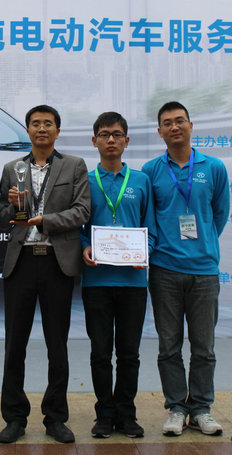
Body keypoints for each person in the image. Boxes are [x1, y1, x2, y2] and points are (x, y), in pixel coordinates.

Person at [0, 104, 90, 444]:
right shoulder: (12, 168)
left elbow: (82, 211)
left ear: (57, 131)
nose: (41, 129)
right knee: (14, 345)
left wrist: (45, 221)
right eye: (35, 123)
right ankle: (14, 418)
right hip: (21, 263)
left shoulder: (74, 165)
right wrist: (12, 206)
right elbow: (1, 218)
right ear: (28, 130)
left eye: (48, 123)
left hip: (56, 262)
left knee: (57, 344)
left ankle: (56, 417)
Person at [141, 101, 230, 437]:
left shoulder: (214, 167)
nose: (174, 127)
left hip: (204, 270)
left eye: (180, 121)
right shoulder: (151, 171)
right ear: (159, 131)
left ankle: (201, 409)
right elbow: (149, 217)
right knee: (169, 346)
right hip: (164, 268)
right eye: (167, 123)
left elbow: (219, 214)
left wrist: (202, 243)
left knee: (204, 347)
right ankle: (177, 408)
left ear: (191, 125)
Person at [80, 112, 156, 439]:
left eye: (116, 134)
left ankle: (127, 414)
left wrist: (145, 250)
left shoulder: (141, 181)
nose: (110, 139)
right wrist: (84, 246)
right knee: (100, 353)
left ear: (127, 140)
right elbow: (78, 226)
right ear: (94, 140)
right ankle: (104, 414)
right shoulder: (84, 181)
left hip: (133, 282)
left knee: (129, 353)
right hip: (96, 281)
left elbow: (150, 225)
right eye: (104, 134)